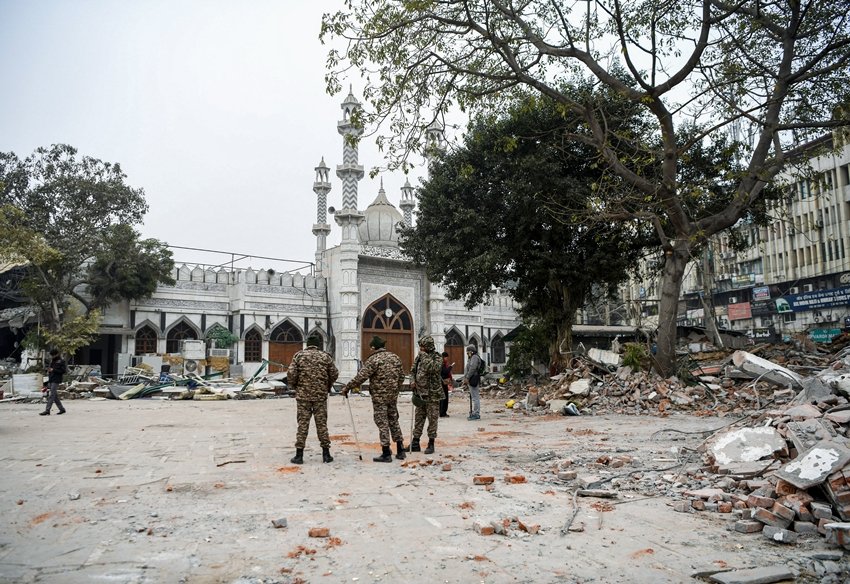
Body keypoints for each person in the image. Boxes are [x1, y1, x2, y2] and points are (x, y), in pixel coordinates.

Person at [341, 335, 406, 462]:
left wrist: (347, 387)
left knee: (382, 423)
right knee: (393, 420)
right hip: (392, 395)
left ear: (373, 347)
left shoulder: (373, 359)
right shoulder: (395, 357)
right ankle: (400, 449)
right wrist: (395, 389)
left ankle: (386, 453)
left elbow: (361, 377)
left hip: (379, 396)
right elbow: (402, 377)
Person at [287, 336, 339, 464]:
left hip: (303, 396)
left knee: (302, 425)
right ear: (317, 345)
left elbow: (291, 374)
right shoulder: (325, 357)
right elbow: (334, 373)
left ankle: (299, 455)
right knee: (322, 425)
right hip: (320, 396)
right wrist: (327, 385)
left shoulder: (299, 356)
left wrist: (295, 386)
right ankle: (326, 454)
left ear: (308, 345)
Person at [407, 335, 443, 454]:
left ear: (428, 347)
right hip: (420, 394)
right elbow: (412, 371)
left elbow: (433, 368)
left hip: (432, 395)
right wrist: (412, 381)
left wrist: (424, 356)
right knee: (418, 419)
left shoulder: (437, 358)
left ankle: (431, 443)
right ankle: (415, 442)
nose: (421, 349)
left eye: (423, 347)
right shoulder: (419, 358)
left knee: (432, 419)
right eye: (420, 347)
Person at [40, 349, 67, 416]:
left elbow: (63, 371)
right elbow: (50, 369)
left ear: (57, 354)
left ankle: (47, 410)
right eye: (52, 355)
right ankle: (62, 409)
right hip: (51, 379)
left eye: (53, 355)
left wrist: (53, 370)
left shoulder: (61, 361)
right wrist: (49, 370)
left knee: (52, 395)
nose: (52, 356)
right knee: (55, 396)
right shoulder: (52, 361)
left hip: (56, 380)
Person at [462, 344, 483, 421]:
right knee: (474, 396)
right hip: (471, 378)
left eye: (468, 352)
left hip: (473, 378)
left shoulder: (475, 357)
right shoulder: (471, 358)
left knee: (475, 397)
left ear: (471, 351)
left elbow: (472, 368)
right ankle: (474, 412)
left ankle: (476, 413)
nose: (467, 353)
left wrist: (467, 377)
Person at [439, 351, 453, 417]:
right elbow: (445, 372)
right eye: (446, 357)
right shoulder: (442, 364)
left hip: (442, 383)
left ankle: (441, 412)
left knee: (442, 397)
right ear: (444, 357)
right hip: (443, 383)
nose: (447, 359)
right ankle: (442, 412)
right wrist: (450, 367)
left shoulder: (441, 363)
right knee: (444, 398)